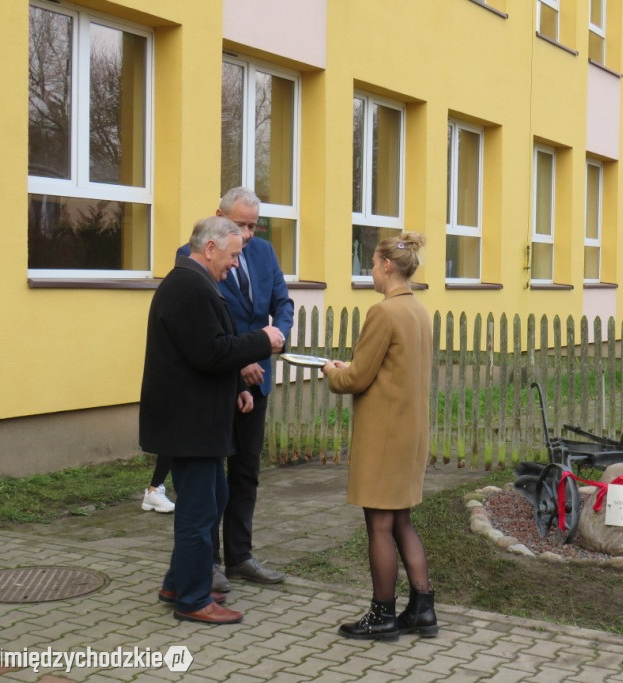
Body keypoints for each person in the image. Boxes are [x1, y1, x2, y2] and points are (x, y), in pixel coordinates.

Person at [140, 216, 283, 625]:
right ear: (210, 249)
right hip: (190, 425)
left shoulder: (194, 282)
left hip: (195, 419)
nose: (236, 264)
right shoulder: (189, 286)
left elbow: (202, 353)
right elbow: (211, 352)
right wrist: (263, 341)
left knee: (212, 499)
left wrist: (235, 384)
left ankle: (176, 582)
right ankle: (192, 599)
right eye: (234, 255)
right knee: (199, 513)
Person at [322, 232, 438, 641]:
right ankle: (423, 609)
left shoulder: (383, 312)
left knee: (380, 526)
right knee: (401, 519)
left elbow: (357, 377)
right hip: (410, 432)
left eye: (372, 264)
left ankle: (381, 615)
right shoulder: (419, 311)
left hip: (384, 435)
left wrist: (332, 372)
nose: (370, 271)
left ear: (387, 266)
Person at [177, 187, 294, 591]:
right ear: (220, 217)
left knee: (246, 473)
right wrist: (239, 360)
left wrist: (277, 335)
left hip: (256, 379)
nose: (246, 235)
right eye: (240, 225)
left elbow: (282, 301)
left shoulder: (264, 252)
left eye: (252, 226)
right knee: (211, 479)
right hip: (220, 380)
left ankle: (240, 556)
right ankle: (207, 563)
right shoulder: (192, 257)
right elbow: (210, 324)